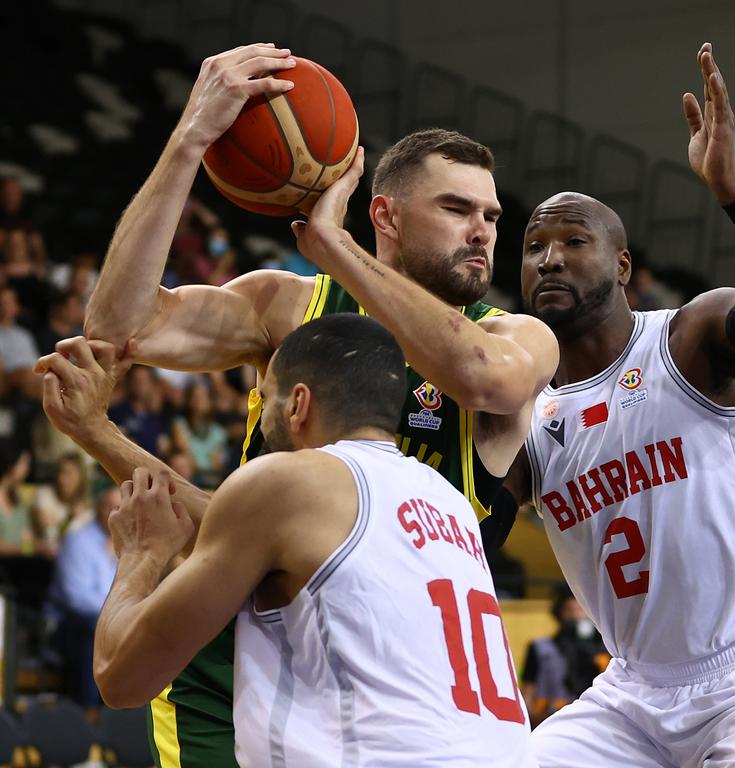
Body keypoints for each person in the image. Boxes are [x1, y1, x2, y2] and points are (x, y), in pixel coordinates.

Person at [79, 43, 557, 765]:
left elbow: (481, 379)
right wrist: (189, 143)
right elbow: (120, 328)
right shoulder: (291, 305)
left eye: (490, 213)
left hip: (389, 676)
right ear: (385, 216)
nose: (483, 228)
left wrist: (333, 245)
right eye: (457, 207)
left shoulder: (512, 336)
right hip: (236, 649)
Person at [509, 42, 735, 766]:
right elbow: (469, 529)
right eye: (535, 244)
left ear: (624, 266)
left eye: (574, 240)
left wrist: (732, 190)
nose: (550, 257)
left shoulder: (689, 337)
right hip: (633, 693)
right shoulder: (527, 414)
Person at [40, 318, 534, 766]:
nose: (259, 413)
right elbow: (239, 530)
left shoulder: (289, 481)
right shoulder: (449, 504)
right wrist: (95, 431)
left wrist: (141, 554)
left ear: (297, 404)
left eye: (266, 396)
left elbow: (119, 674)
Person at [47, 484, 119, 708]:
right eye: (110, 506)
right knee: (94, 629)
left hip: (114, 623)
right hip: (69, 626)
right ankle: (88, 713)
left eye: (120, 507)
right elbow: (75, 599)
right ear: (98, 508)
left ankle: (128, 717)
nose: (116, 513)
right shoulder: (78, 541)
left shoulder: (128, 545)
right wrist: (117, 615)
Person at [521, 587, 608, 726]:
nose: (575, 616)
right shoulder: (540, 648)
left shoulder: (603, 652)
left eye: (580, 610)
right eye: (569, 610)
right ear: (559, 612)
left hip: (591, 723)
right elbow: (528, 692)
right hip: (549, 721)